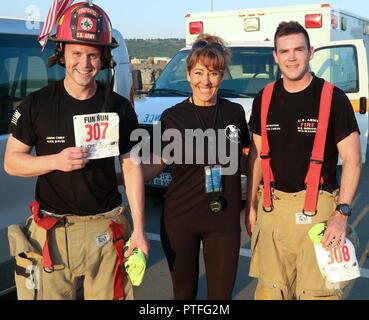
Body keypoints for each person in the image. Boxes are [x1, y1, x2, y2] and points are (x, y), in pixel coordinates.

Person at [4, 1, 149, 300]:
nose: (84, 63)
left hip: (106, 228)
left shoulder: (119, 107)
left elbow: (132, 166)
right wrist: (55, 161)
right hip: (52, 230)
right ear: (62, 55)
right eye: (77, 54)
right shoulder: (37, 104)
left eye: (93, 55)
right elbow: (12, 163)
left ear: (104, 58)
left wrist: (140, 230)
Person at [246, 21, 361, 300]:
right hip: (272, 211)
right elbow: (258, 159)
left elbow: (352, 160)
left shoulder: (333, 98)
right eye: (284, 51)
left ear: (310, 52)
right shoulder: (264, 98)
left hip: (319, 214)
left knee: (316, 294)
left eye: (298, 49)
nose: (292, 57)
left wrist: (341, 214)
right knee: (270, 293)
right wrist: (250, 207)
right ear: (275, 56)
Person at [143, 34, 250, 299]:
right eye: (199, 72)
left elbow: (248, 159)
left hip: (223, 220)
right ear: (189, 74)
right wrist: (120, 178)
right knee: (183, 294)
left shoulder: (234, 113)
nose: (206, 81)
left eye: (213, 73)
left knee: (221, 297)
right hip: (180, 220)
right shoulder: (172, 117)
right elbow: (155, 165)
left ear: (222, 76)